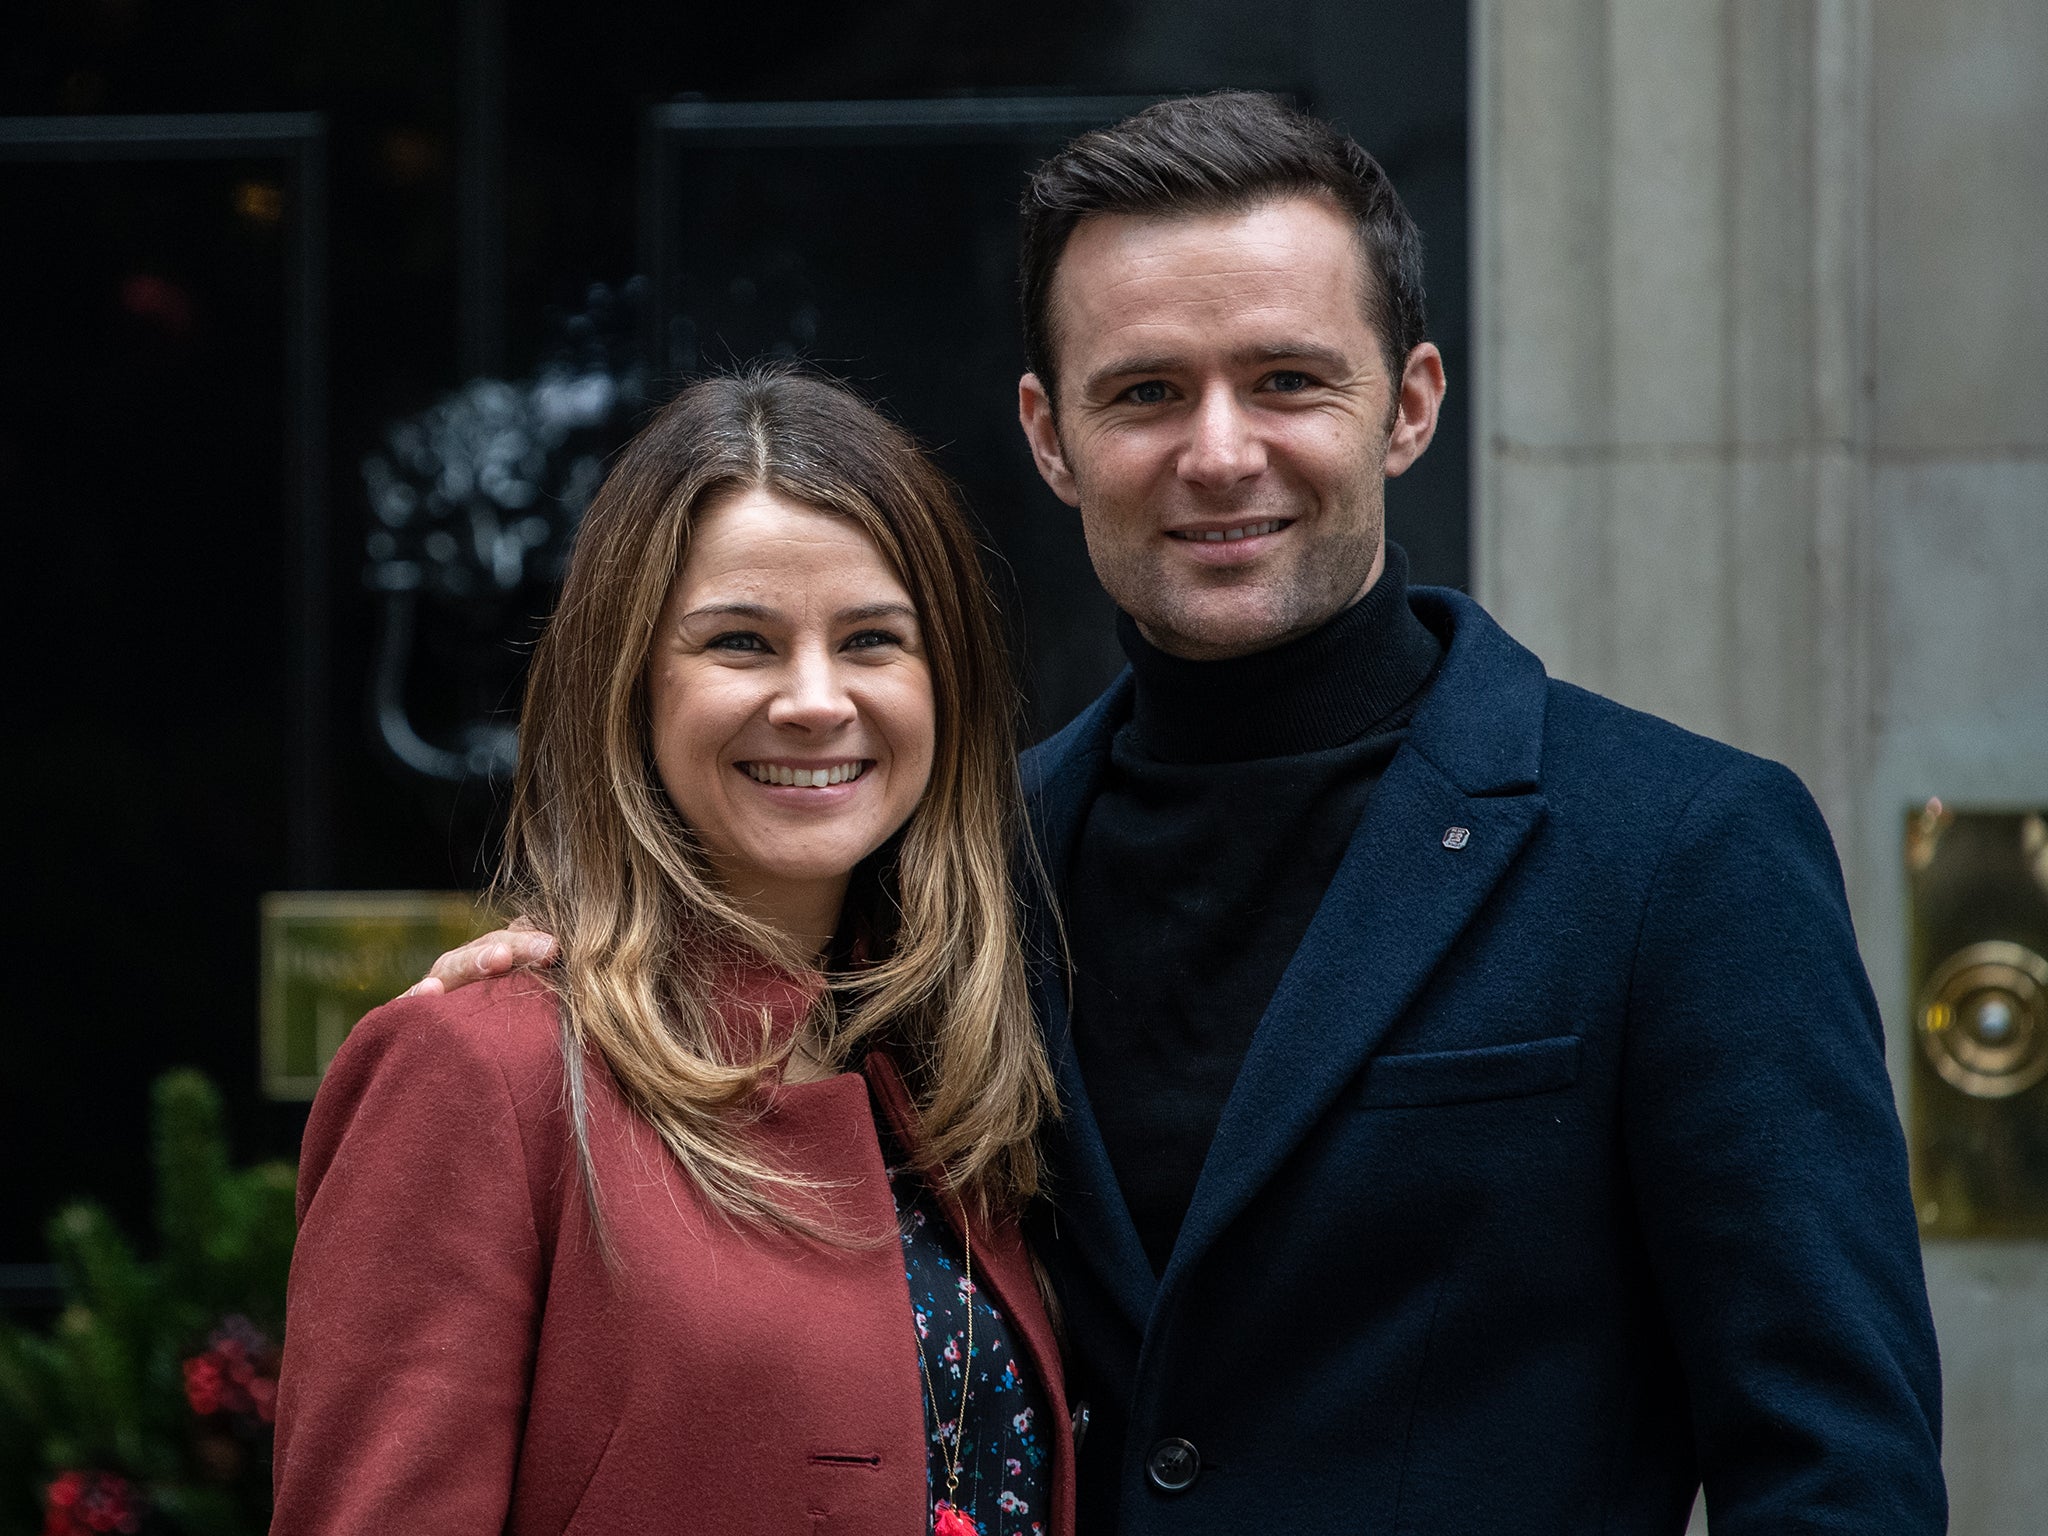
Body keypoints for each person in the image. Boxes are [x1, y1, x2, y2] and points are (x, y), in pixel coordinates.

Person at [425, 94, 1946, 1533]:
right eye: (1146, 392)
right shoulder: (958, 871)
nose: (1220, 454)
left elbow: (1832, 1472)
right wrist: (564, 983)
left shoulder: (1681, 851)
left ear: (1409, 404)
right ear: (1049, 434)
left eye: (1288, 379)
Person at [274, 367, 1075, 1536]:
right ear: (631, 684)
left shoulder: (956, 1075)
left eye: (870, 640)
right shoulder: (480, 1073)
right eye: (740, 642)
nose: (814, 699)